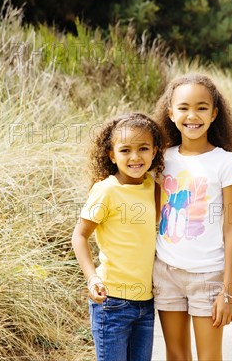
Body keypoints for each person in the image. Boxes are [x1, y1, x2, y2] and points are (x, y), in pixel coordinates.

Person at [152, 73, 232, 361]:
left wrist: (228, 292)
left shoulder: (225, 162)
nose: (192, 115)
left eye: (201, 107)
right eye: (183, 107)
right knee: (176, 354)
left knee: (209, 357)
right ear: (170, 113)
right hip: (166, 272)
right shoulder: (161, 159)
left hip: (207, 276)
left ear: (214, 114)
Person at [71, 113, 165, 361]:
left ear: (154, 151)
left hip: (145, 303)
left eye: (143, 148)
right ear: (112, 155)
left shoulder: (153, 188)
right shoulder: (106, 190)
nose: (135, 157)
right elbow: (79, 236)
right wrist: (92, 279)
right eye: (125, 150)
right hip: (112, 302)